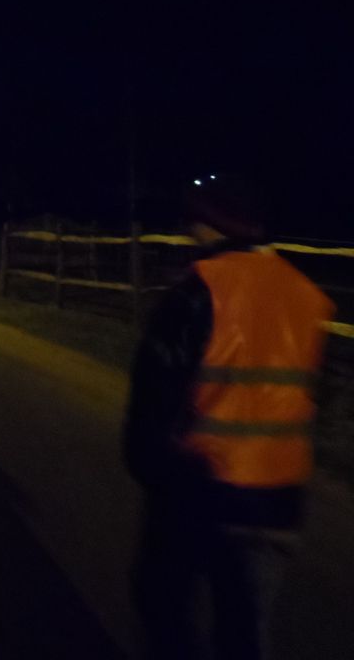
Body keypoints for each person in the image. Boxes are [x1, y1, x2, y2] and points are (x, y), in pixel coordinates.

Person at [123, 180, 335, 660]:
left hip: (200, 491)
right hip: (279, 498)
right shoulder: (306, 295)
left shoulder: (197, 291)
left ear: (210, 225)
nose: (188, 233)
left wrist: (151, 469)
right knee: (245, 633)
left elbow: (154, 397)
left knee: (163, 608)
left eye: (193, 222)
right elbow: (313, 396)